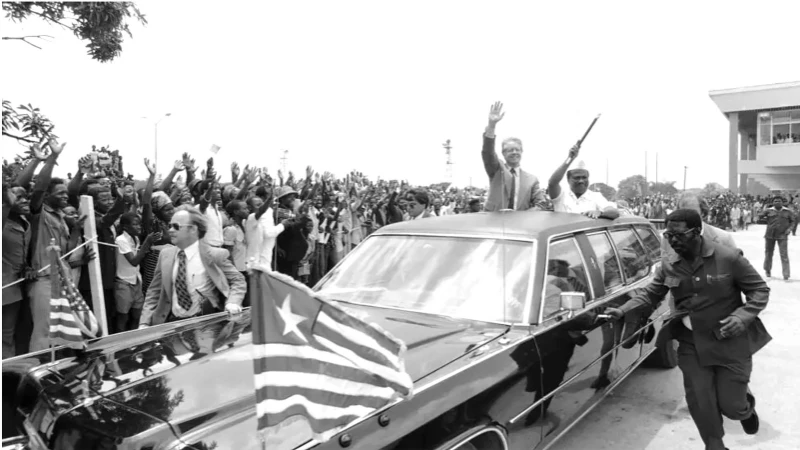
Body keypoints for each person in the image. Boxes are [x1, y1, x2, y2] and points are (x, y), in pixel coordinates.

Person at [604, 209, 770, 450]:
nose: (672, 241)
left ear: (696, 232)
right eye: (668, 235)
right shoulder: (669, 264)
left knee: (731, 405)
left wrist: (742, 316)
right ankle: (714, 445)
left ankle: (745, 410)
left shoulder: (729, 258)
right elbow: (651, 294)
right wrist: (623, 310)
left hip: (730, 343)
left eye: (679, 235)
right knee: (700, 400)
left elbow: (760, 290)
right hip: (691, 343)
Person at [138, 205, 246, 328]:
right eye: (170, 226)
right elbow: (154, 292)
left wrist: (233, 302)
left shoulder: (214, 255)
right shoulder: (165, 255)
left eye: (176, 227)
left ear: (193, 229)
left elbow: (238, 280)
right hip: (172, 326)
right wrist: (144, 323)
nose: (171, 230)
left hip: (206, 327)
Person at [480, 101, 546, 212]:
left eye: (517, 150)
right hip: (493, 222)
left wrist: (521, 216)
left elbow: (541, 204)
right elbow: (488, 152)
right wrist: (491, 126)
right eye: (510, 150)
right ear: (503, 154)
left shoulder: (532, 180)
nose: (514, 152)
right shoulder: (496, 169)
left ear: (522, 152)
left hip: (519, 225)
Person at [547, 143, 620, 219]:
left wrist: (600, 213)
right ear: (568, 180)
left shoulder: (595, 196)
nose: (581, 181)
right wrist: (569, 159)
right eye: (577, 178)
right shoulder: (561, 196)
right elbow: (552, 183)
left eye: (584, 177)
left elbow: (614, 213)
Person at [115, 213, 157, 332]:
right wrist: (147, 243)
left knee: (137, 315)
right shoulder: (121, 240)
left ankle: (133, 342)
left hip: (136, 280)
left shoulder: (136, 238)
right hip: (124, 282)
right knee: (123, 316)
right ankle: (120, 345)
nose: (139, 227)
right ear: (125, 227)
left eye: (139, 224)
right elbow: (133, 261)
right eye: (135, 224)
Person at [763, 196, 795, 280]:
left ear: (782, 202)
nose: (777, 202)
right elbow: (759, 216)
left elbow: (793, 221)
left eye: (779, 201)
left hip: (782, 235)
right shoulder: (768, 210)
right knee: (768, 253)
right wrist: (764, 210)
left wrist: (789, 229)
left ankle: (786, 274)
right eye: (775, 201)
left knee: (784, 254)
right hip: (770, 235)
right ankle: (767, 270)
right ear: (773, 202)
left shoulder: (788, 211)